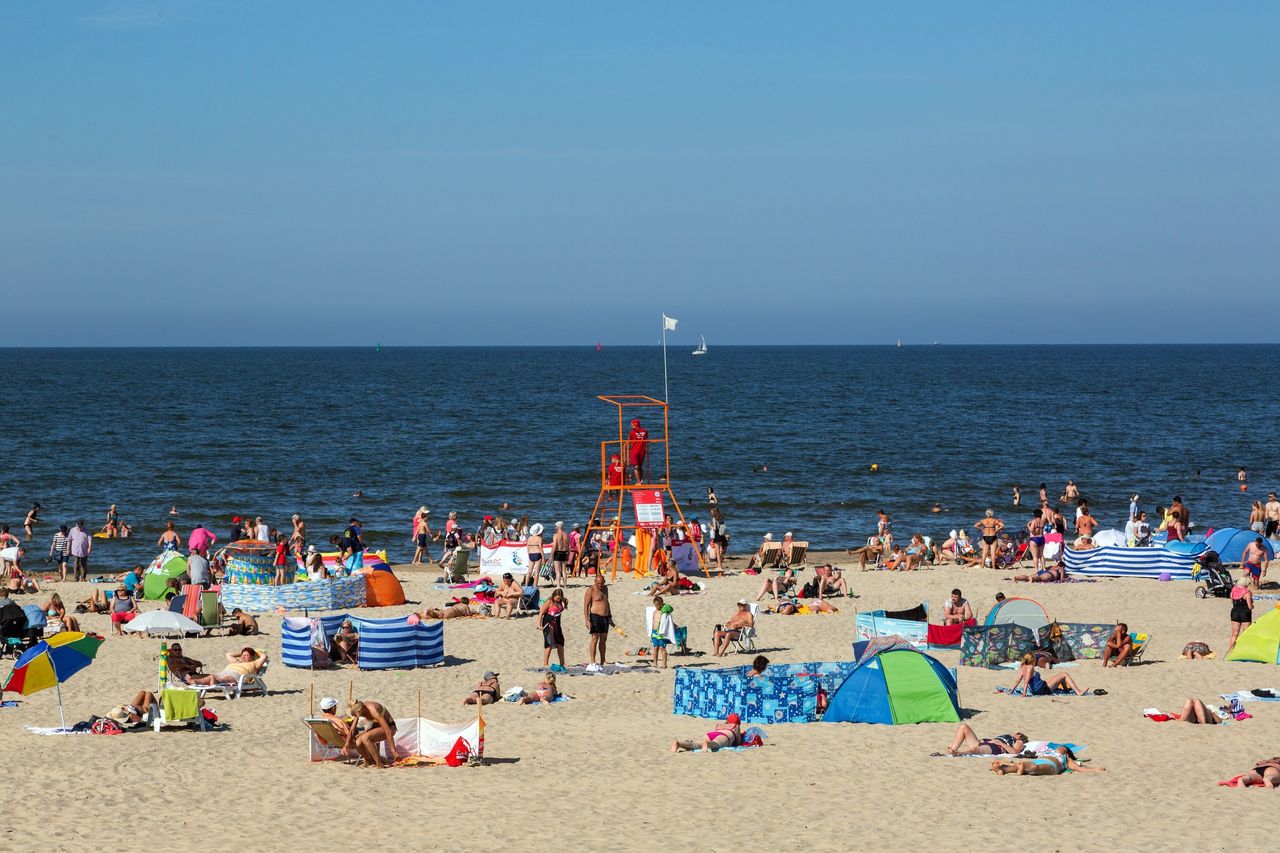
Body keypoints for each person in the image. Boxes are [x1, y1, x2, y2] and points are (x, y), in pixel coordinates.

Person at [343, 699, 397, 768]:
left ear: (358, 711)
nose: (353, 716)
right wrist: (346, 745)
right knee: (357, 742)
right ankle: (369, 761)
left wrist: (393, 751)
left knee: (366, 737)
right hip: (376, 727)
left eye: (354, 714)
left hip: (390, 727)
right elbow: (352, 730)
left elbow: (388, 730)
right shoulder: (357, 708)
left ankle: (379, 764)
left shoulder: (373, 710)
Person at [991, 745, 1103, 776]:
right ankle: (1003, 770)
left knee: (1036, 768)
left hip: (1053, 766)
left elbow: (1079, 768)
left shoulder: (1066, 759)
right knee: (1022, 764)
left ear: (1067, 752)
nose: (1060, 747)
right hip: (1040, 760)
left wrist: (1096, 769)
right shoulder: (1048, 752)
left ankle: (1020, 770)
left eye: (1063, 747)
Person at [1008, 653, 1085, 695]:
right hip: (1041, 689)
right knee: (1064, 674)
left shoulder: (1023, 666)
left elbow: (1018, 680)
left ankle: (1067, 690)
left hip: (1037, 687)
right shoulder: (1030, 667)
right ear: (1032, 660)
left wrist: (1011, 691)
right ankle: (1078, 692)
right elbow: (1026, 681)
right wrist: (1024, 694)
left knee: (1057, 677)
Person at [185, 648, 269, 686]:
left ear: (252, 657)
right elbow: (228, 654)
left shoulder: (254, 663)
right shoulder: (237, 661)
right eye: (242, 655)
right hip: (225, 671)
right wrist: (242, 651)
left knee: (227, 678)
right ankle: (196, 681)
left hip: (238, 675)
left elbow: (264, 656)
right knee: (213, 675)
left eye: (246, 655)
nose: (243, 656)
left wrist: (256, 651)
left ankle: (215, 681)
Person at [671, 711, 742, 753]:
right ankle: (708, 743)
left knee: (698, 745)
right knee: (716, 744)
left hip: (711, 734)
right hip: (724, 736)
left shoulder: (720, 725)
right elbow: (738, 743)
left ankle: (679, 744)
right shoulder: (736, 726)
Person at [583, 572, 612, 665]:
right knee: (595, 638)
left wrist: (610, 616)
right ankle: (593, 661)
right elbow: (586, 606)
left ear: (604, 582)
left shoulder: (605, 588)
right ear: (595, 581)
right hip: (595, 616)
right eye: (598, 583)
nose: (600, 585)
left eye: (602, 583)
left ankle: (602, 660)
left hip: (605, 617)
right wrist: (587, 619)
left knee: (603, 639)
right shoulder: (591, 590)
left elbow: (606, 602)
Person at [946, 724, 1028, 756]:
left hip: (996, 747)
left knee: (975, 750)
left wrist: (1001, 744)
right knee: (964, 727)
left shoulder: (1019, 741)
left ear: (1020, 736)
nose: (1014, 733)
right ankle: (953, 750)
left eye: (1017, 733)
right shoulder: (1009, 736)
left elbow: (1015, 752)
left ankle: (959, 754)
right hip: (984, 742)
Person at [538, 588, 567, 668]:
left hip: (557, 624)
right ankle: (545, 663)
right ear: (554, 596)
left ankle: (562, 663)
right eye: (557, 598)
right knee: (549, 644)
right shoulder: (549, 601)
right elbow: (541, 613)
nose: (558, 600)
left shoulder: (561, 602)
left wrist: (564, 604)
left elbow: (564, 604)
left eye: (559, 598)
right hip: (548, 624)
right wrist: (539, 625)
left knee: (560, 643)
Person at [1228, 577, 1253, 652]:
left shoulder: (1234, 590)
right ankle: (1245, 651)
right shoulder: (1247, 592)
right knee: (1246, 633)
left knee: (1234, 634)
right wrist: (1252, 606)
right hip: (1245, 613)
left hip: (1235, 612)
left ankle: (1231, 651)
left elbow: (1231, 601)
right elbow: (1249, 606)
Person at [650, 602, 675, 669]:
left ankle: (664, 664)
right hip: (654, 632)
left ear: (661, 604)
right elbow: (653, 622)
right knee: (655, 648)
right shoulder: (654, 612)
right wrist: (651, 633)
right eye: (655, 605)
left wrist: (674, 625)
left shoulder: (663, 613)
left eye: (657, 605)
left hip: (661, 632)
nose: (656, 606)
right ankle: (655, 664)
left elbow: (668, 621)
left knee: (662, 648)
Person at [627, 418, 648, 483]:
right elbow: (646, 437)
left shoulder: (632, 432)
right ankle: (641, 480)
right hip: (642, 450)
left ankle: (638, 482)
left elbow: (629, 441)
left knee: (636, 466)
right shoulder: (645, 431)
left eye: (632, 425)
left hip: (635, 451)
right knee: (640, 466)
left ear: (634, 425)